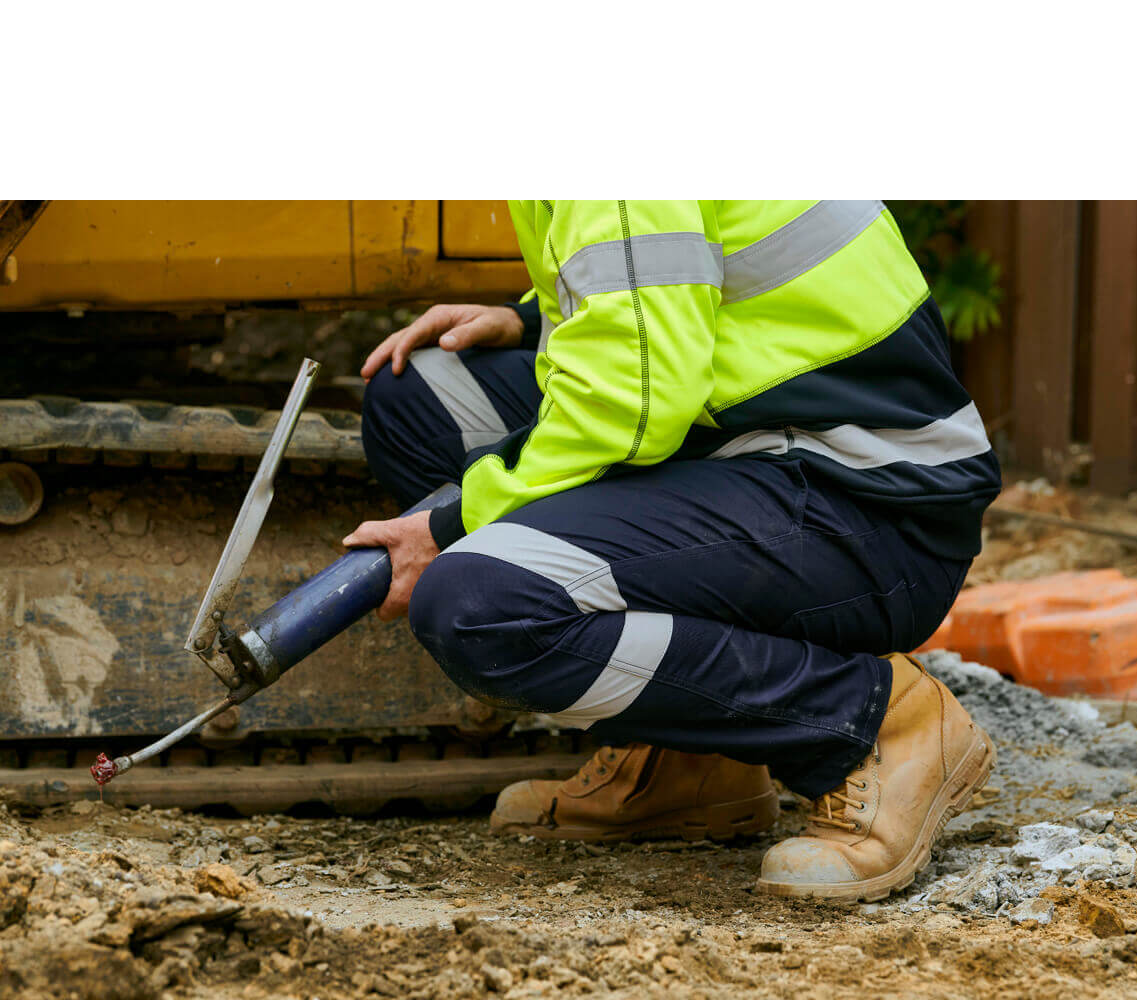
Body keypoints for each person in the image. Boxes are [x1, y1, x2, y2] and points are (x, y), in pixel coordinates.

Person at [345, 201, 1000, 902]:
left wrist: (450, 528)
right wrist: (530, 319)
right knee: (418, 402)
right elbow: (663, 261)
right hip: (760, 435)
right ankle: (694, 758)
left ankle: (870, 725)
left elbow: (632, 400)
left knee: (480, 606)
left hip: (869, 501)